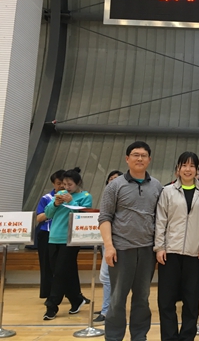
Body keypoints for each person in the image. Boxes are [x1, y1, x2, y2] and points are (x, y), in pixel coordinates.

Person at [99, 141, 163, 341]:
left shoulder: (157, 186)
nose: (140, 158)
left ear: (149, 159)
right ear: (127, 159)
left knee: (142, 298)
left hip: (147, 250)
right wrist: (109, 246)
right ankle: (114, 337)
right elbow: (104, 217)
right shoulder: (115, 186)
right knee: (117, 298)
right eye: (135, 155)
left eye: (144, 155)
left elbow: (161, 218)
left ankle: (139, 336)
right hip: (121, 250)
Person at [155, 151, 199, 341]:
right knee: (166, 300)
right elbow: (160, 221)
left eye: (192, 166)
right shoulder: (167, 191)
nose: (188, 169)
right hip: (169, 252)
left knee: (191, 300)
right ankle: (169, 337)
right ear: (177, 169)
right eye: (184, 165)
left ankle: (187, 337)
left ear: (197, 170)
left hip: (195, 254)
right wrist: (160, 247)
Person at [43, 168, 93, 320]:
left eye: (70, 184)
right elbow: (48, 214)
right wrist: (55, 204)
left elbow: (83, 216)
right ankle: (76, 299)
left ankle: (52, 305)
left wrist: (71, 201)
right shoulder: (59, 194)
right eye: (64, 184)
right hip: (54, 237)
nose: (66, 187)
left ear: (78, 183)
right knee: (65, 271)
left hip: (71, 239)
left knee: (60, 272)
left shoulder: (85, 196)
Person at [94, 170, 123, 323]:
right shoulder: (107, 197)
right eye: (110, 179)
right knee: (105, 276)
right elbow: (104, 218)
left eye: (116, 179)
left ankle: (107, 310)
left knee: (107, 276)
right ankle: (107, 307)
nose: (113, 181)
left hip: (121, 241)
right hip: (108, 241)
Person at [35, 169, 65, 300]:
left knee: (64, 266)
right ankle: (48, 293)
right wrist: (52, 208)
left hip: (63, 235)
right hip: (47, 234)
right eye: (58, 183)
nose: (62, 186)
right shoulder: (46, 198)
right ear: (53, 184)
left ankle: (71, 294)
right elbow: (39, 218)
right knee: (46, 265)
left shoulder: (71, 198)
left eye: (64, 183)